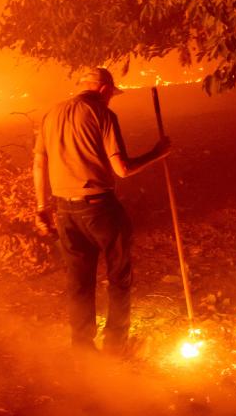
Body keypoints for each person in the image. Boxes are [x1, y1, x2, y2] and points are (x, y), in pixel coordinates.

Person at [32, 67, 170, 357]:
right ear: (105, 89)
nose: (111, 100)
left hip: (64, 211)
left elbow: (39, 165)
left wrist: (42, 208)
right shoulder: (103, 114)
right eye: (111, 95)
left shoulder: (51, 114)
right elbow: (122, 169)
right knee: (119, 275)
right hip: (99, 208)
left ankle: (82, 349)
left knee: (79, 282)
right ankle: (116, 345)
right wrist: (158, 152)